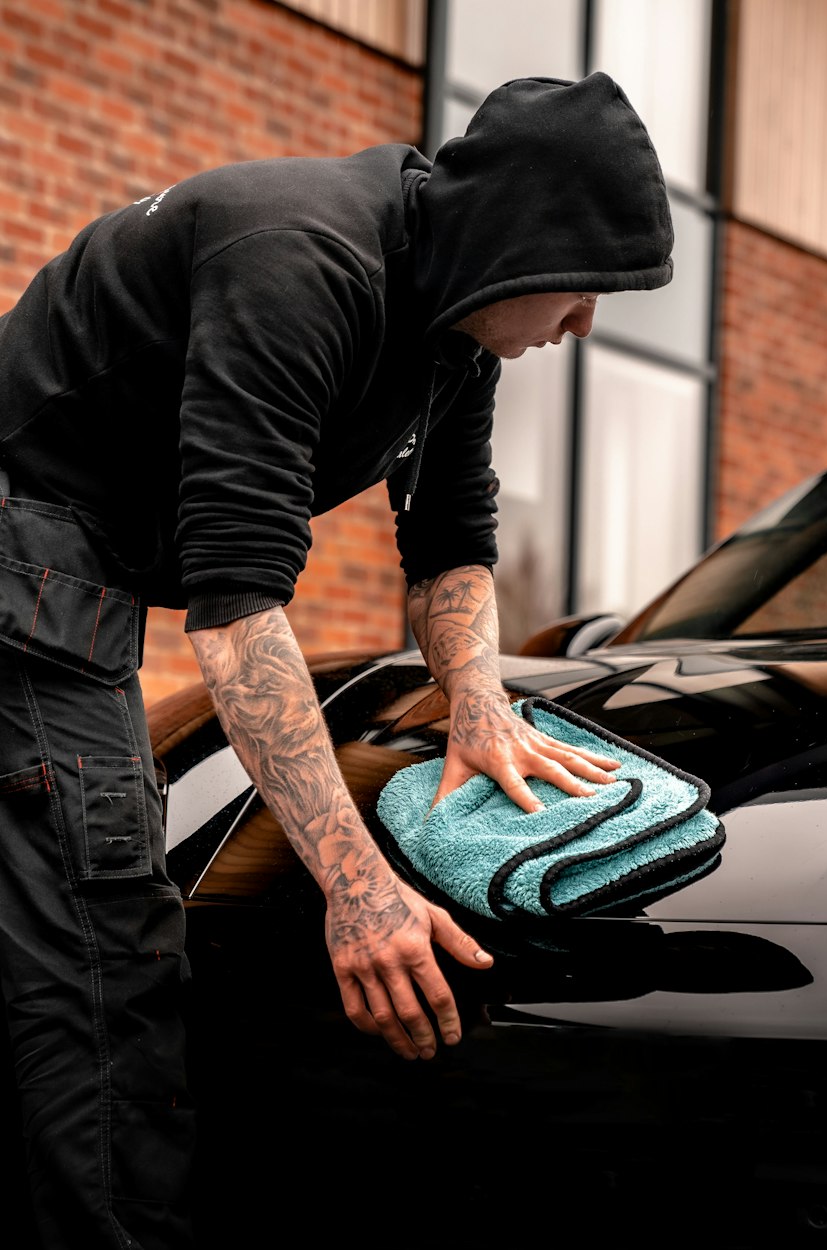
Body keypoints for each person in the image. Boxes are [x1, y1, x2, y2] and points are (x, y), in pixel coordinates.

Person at [0, 71, 673, 1247]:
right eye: (584, 289)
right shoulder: (300, 259)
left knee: (53, 920)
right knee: (108, 938)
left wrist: (479, 703)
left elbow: (454, 545)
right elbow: (238, 606)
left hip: (76, 566)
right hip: (29, 553)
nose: (581, 329)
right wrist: (356, 890)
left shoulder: (458, 336)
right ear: (519, 243)